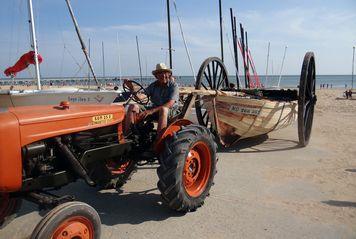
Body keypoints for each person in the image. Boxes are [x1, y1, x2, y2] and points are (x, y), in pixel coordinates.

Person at [123, 63, 179, 135]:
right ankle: (129, 134)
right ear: (156, 76)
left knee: (163, 109)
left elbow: (170, 104)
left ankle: (158, 140)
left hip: (171, 112)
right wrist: (132, 88)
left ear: (169, 74)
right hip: (155, 109)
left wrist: (151, 111)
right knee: (132, 106)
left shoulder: (173, 85)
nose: (163, 75)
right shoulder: (153, 85)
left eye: (165, 73)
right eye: (160, 73)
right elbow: (140, 97)